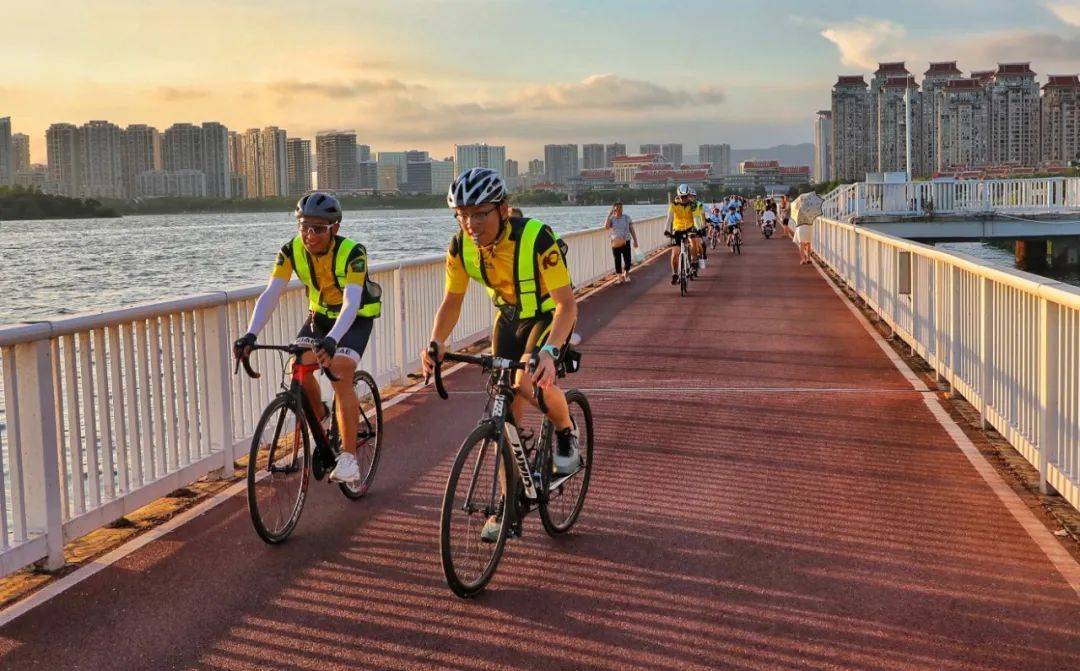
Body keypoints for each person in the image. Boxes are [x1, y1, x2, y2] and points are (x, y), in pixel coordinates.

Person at [421, 168, 580, 542]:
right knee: (503, 410)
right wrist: (436, 341)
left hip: (546, 316)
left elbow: (567, 306)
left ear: (503, 210)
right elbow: (452, 301)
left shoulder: (536, 238)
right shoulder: (460, 246)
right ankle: (509, 505)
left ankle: (565, 432)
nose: (470, 223)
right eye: (462, 215)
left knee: (527, 380)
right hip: (508, 319)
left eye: (480, 213)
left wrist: (549, 353)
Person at [233, 192, 381, 484]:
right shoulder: (290, 251)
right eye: (303, 227)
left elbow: (351, 303)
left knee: (338, 371)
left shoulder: (353, 253)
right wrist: (251, 334)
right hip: (319, 316)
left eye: (318, 228)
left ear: (334, 228)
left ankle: (349, 459)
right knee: (297, 368)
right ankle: (322, 415)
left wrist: (333, 340)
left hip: (354, 318)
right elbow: (271, 293)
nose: (309, 235)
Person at [665, 184, 703, 284]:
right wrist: (666, 230)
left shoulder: (693, 204)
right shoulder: (673, 205)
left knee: (693, 242)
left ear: (689, 195)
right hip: (677, 229)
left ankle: (694, 262)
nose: (684, 198)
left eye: (686, 196)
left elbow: (696, 218)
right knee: (675, 253)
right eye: (682, 197)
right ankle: (675, 274)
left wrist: (698, 228)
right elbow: (669, 218)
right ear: (679, 196)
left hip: (690, 228)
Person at [604, 201, 638, 283]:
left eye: (620, 208)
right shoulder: (611, 218)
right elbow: (606, 227)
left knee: (628, 259)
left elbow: (632, 229)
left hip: (626, 241)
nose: (619, 209)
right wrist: (609, 214)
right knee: (617, 260)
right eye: (617, 208)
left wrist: (635, 241)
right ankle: (619, 277)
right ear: (614, 209)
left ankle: (626, 274)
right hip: (615, 242)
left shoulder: (627, 217)